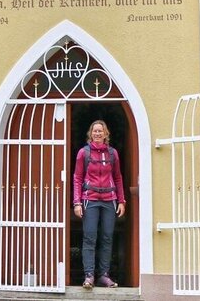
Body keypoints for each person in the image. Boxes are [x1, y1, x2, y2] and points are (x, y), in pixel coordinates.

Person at [72, 119, 126, 289]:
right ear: (91, 134)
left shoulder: (112, 154)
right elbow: (77, 178)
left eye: (100, 131)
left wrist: (122, 201)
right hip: (90, 199)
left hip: (110, 199)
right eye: (94, 131)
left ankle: (104, 275)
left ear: (105, 134)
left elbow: (118, 177)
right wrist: (77, 202)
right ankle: (89, 276)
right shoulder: (83, 153)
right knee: (90, 237)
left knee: (107, 238)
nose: (97, 133)